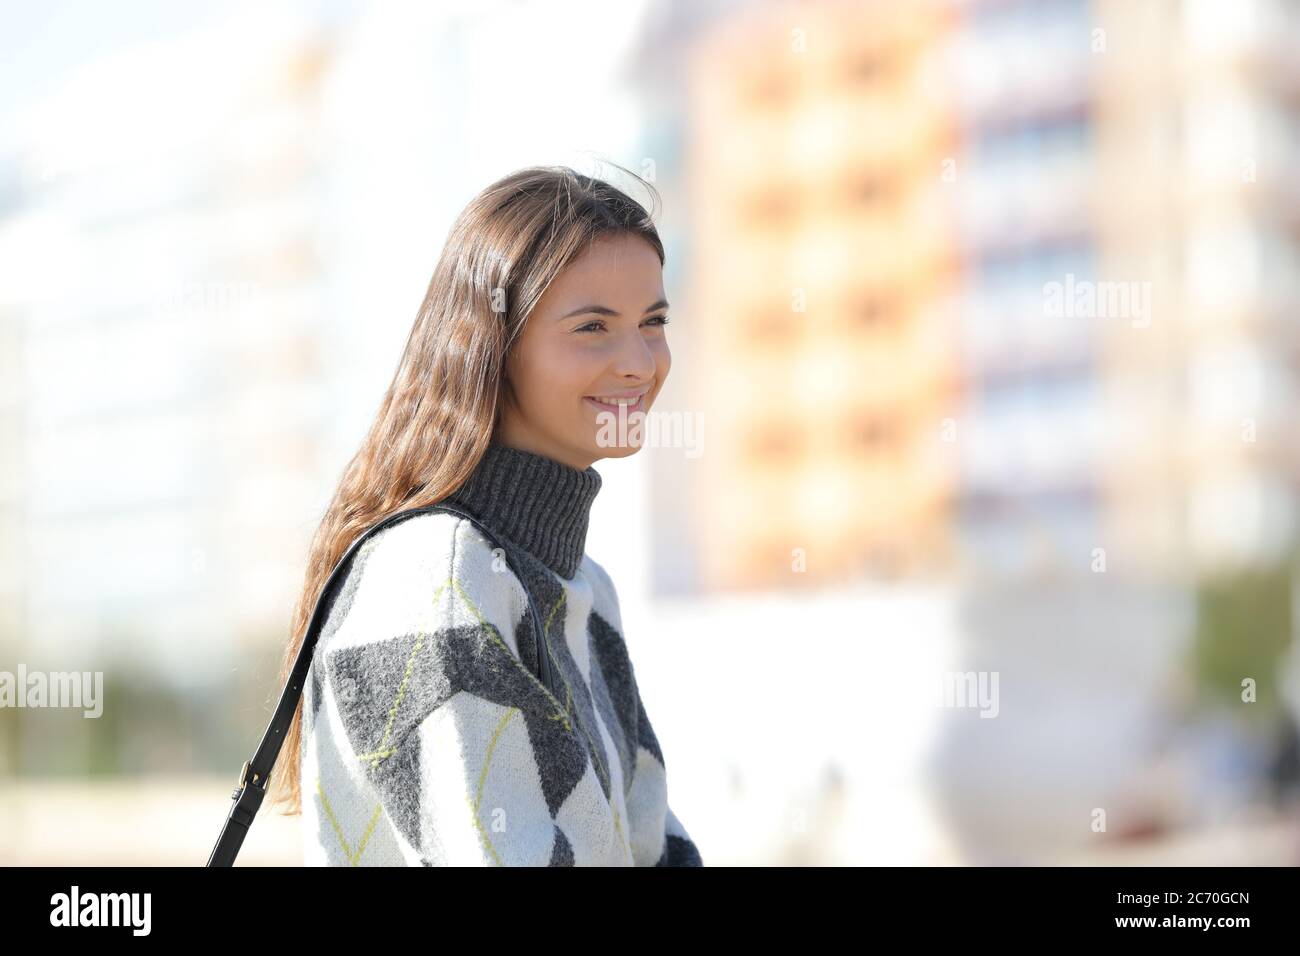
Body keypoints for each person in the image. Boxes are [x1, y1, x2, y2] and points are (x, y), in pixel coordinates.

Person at [269, 164, 703, 866]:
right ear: (492, 347)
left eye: (653, 323)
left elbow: (656, 848)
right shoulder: (433, 572)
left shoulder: (583, 583)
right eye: (592, 327)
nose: (638, 363)